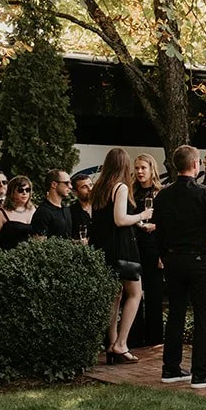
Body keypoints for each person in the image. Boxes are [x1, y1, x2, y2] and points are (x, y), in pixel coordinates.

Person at [155, 145, 206, 387]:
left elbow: (159, 230)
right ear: (196, 165)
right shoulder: (205, 194)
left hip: (173, 258)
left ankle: (170, 367)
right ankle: (200, 371)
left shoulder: (163, 195)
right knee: (203, 316)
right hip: (198, 258)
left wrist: (164, 254)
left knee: (175, 313)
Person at [88, 148, 144, 365]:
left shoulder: (99, 188)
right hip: (121, 248)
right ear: (124, 166)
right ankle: (121, 343)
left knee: (115, 295)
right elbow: (120, 220)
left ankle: (111, 344)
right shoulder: (119, 187)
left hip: (103, 247)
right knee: (135, 293)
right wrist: (141, 215)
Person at [131, 154, 165, 347]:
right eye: (137, 168)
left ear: (152, 169)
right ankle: (134, 337)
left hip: (154, 246)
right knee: (134, 293)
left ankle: (154, 338)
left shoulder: (161, 193)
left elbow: (168, 222)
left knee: (154, 293)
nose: (140, 172)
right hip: (135, 246)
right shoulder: (131, 193)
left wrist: (156, 227)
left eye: (143, 168)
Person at [0, 175, 37, 256]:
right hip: (8, 261)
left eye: (28, 190)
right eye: (20, 190)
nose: (24, 193)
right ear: (12, 192)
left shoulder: (35, 210)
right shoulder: (0, 213)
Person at [32, 169, 77, 238]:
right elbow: (39, 245)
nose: (70, 186)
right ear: (54, 184)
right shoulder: (43, 212)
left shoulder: (66, 209)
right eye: (67, 183)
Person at [70, 173, 94, 242]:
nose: (90, 189)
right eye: (84, 187)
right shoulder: (70, 212)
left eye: (91, 185)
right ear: (75, 192)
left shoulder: (101, 207)